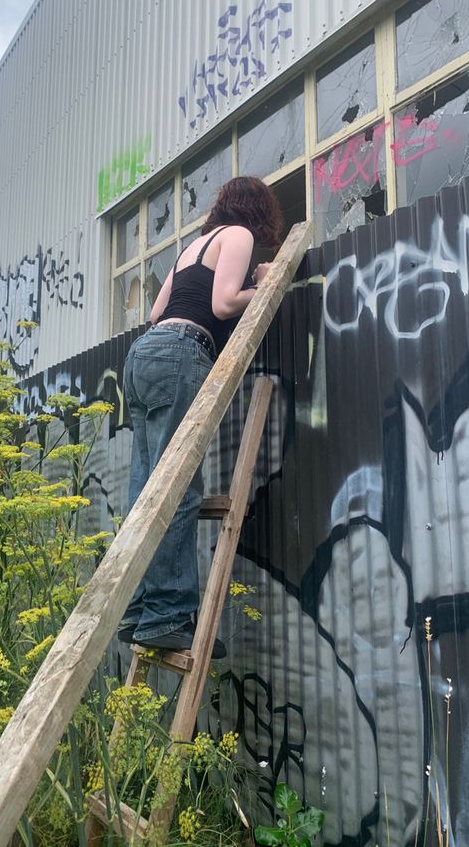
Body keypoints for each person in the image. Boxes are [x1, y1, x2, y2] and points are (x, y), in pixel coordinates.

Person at [118, 176, 283, 656]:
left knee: (145, 490)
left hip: (143, 356)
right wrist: (272, 283)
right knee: (177, 490)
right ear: (259, 210)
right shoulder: (240, 236)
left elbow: (154, 313)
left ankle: (137, 610)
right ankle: (167, 616)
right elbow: (223, 303)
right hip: (180, 353)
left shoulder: (192, 248)